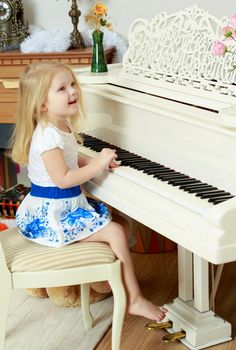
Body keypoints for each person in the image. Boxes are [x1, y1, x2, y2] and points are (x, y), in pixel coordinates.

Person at [11, 61, 167, 322]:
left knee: (121, 225)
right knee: (116, 232)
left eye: (72, 84)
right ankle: (134, 300)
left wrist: (97, 163)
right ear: (42, 104)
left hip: (66, 205)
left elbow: (71, 160)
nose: (73, 91)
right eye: (62, 88)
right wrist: (97, 164)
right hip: (52, 214)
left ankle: (110, 280)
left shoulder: (61, 125)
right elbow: (63, 179)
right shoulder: (48, 136)